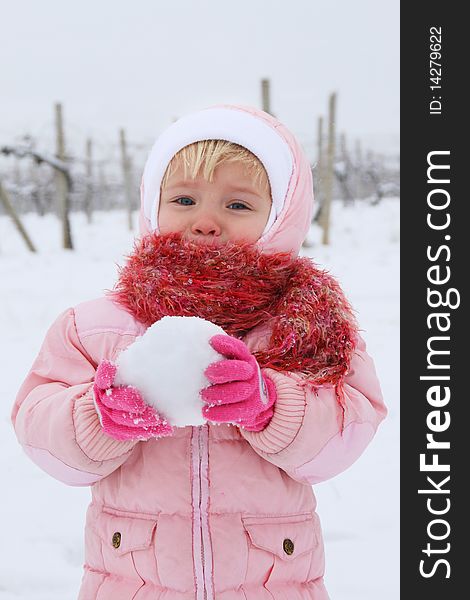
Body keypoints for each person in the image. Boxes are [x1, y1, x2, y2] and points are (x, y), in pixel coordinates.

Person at [12, 105, 387, 599]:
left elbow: (345, 432)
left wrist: (273, 406)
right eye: (185, 199)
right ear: (153, 205)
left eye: (237, 205)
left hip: (272, 584)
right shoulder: (98, 327)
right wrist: (96, 417)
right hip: (134, 581)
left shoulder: (302, 323)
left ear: (280, 217)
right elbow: (41, 432)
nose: (206, 221)